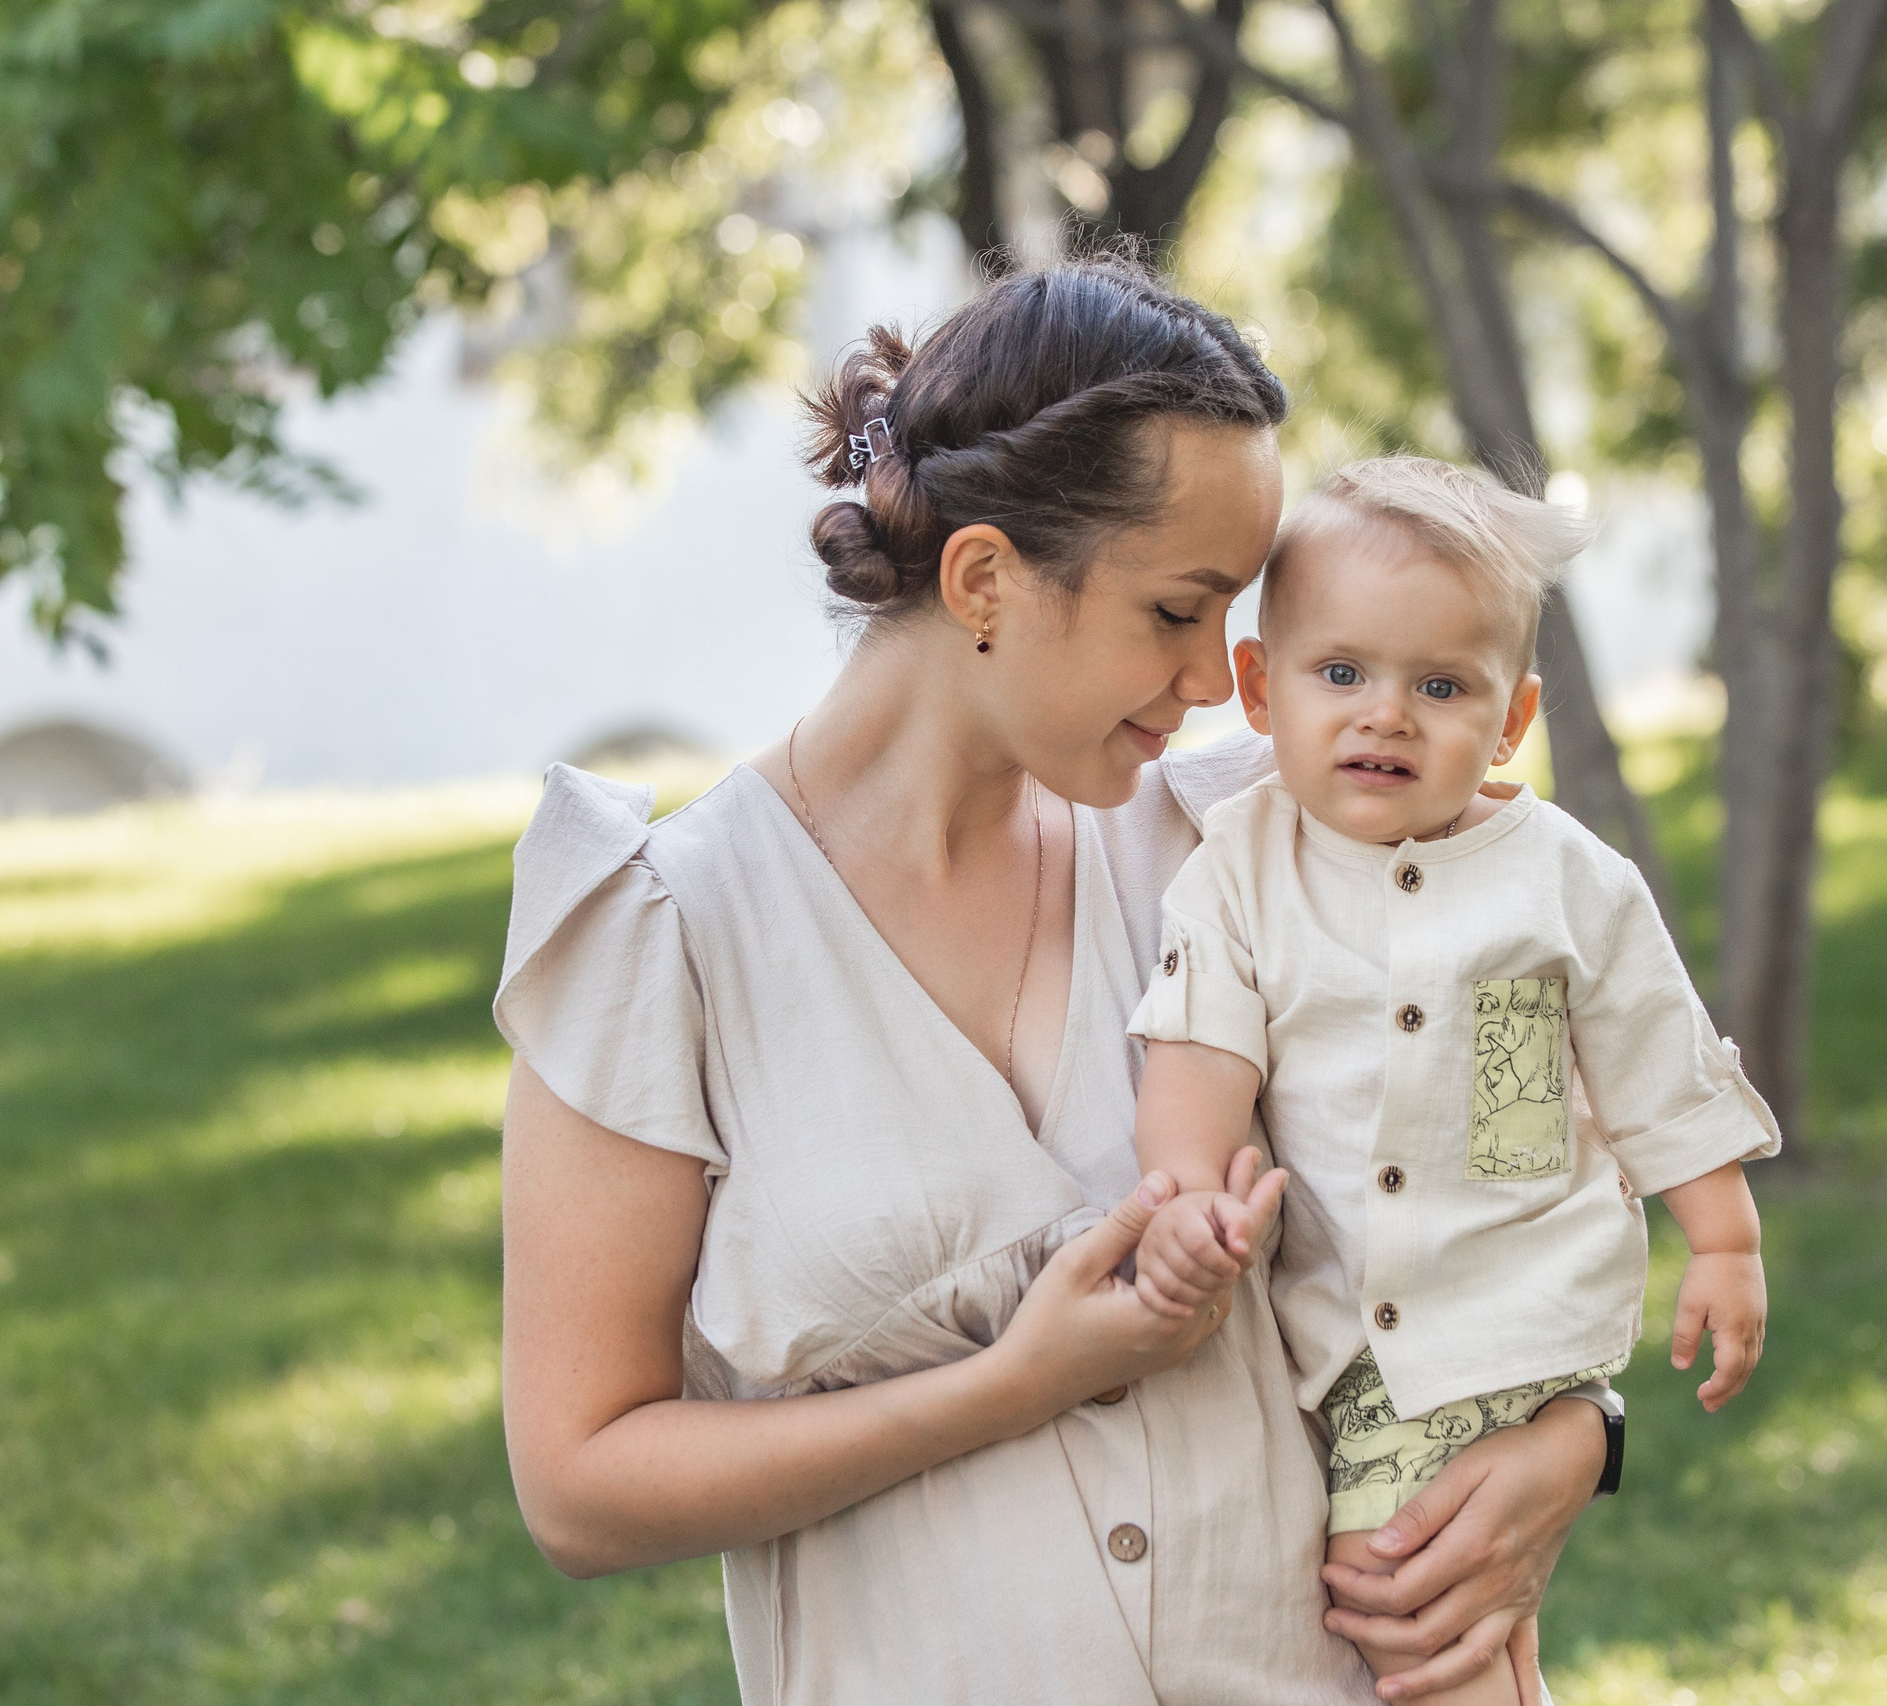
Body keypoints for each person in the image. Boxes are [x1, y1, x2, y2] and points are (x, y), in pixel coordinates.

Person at [495, 259, 1616, 1705]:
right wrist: (1008, 1382)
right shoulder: (666, 935)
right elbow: (582, 1485)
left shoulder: (1251, 843)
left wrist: (1574, 1427)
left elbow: (1507, 1158)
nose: (1222, 677)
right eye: (1175, 610)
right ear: (983, 579)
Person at [1123, 457, 1783, 1704]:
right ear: (1260, 687)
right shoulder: (1241, 869)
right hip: (1363, 1346)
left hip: (1521, 1329)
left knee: (1408, 1611)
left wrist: (1725, 1245)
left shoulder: (1570, 880)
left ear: (1510, 715)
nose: (1386, 714)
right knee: (1461, 1635)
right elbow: (1199, 1051)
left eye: (1439, 685)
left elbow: (1660, 1067)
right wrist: (1183, 1200)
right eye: (1341, 673)